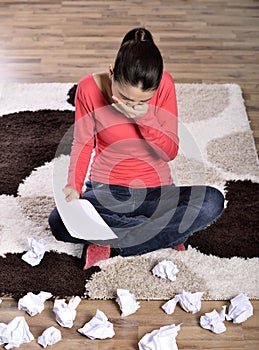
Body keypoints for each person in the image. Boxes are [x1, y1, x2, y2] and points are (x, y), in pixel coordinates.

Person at [48, 27, 224, 270]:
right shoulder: (88, 88)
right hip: (107, 191)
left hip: (157, 194)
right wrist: (74, 187)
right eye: (125, 98)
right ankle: (164, 233)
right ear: (112, 73)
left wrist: (146, 118)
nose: (133, 106)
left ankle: (111, 244)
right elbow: (83, 142)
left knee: (212, 201)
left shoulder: (165, 86)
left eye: (143, 101)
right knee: (58, 221)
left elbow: (169, 152)